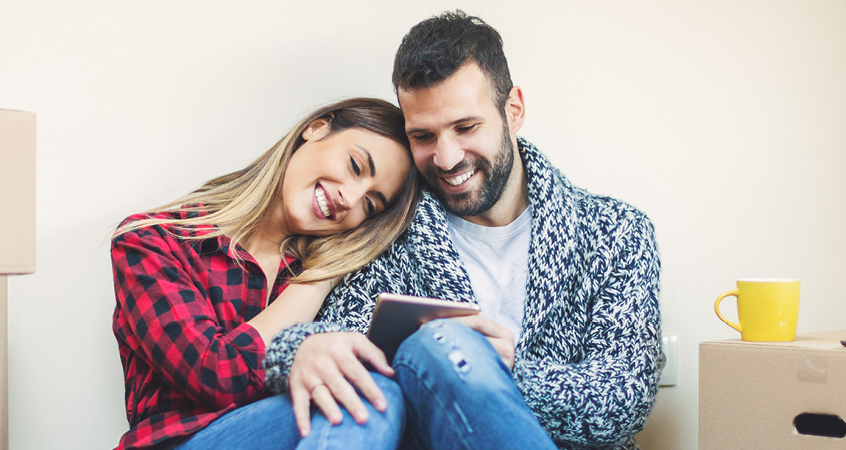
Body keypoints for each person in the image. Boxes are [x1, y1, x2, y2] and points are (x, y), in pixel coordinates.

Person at [263, 11, 662, 450]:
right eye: (423, 136)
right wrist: (301, 349)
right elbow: (336, 345)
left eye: (466, 127)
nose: (447, 158)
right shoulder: (383, 231)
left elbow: (622, 404)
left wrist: (506, 371)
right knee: (441, 342)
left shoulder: (616, 233)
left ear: (513, 112)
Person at [110, 98, 422, 450]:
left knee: (369, 391)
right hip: (180, 441)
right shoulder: (153, 240)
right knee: (360, 395)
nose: (350, 199)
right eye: (354, 165)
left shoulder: (343, 279)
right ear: (316, 128)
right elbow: (215, 375)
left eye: (370, 204)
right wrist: (319, 281)